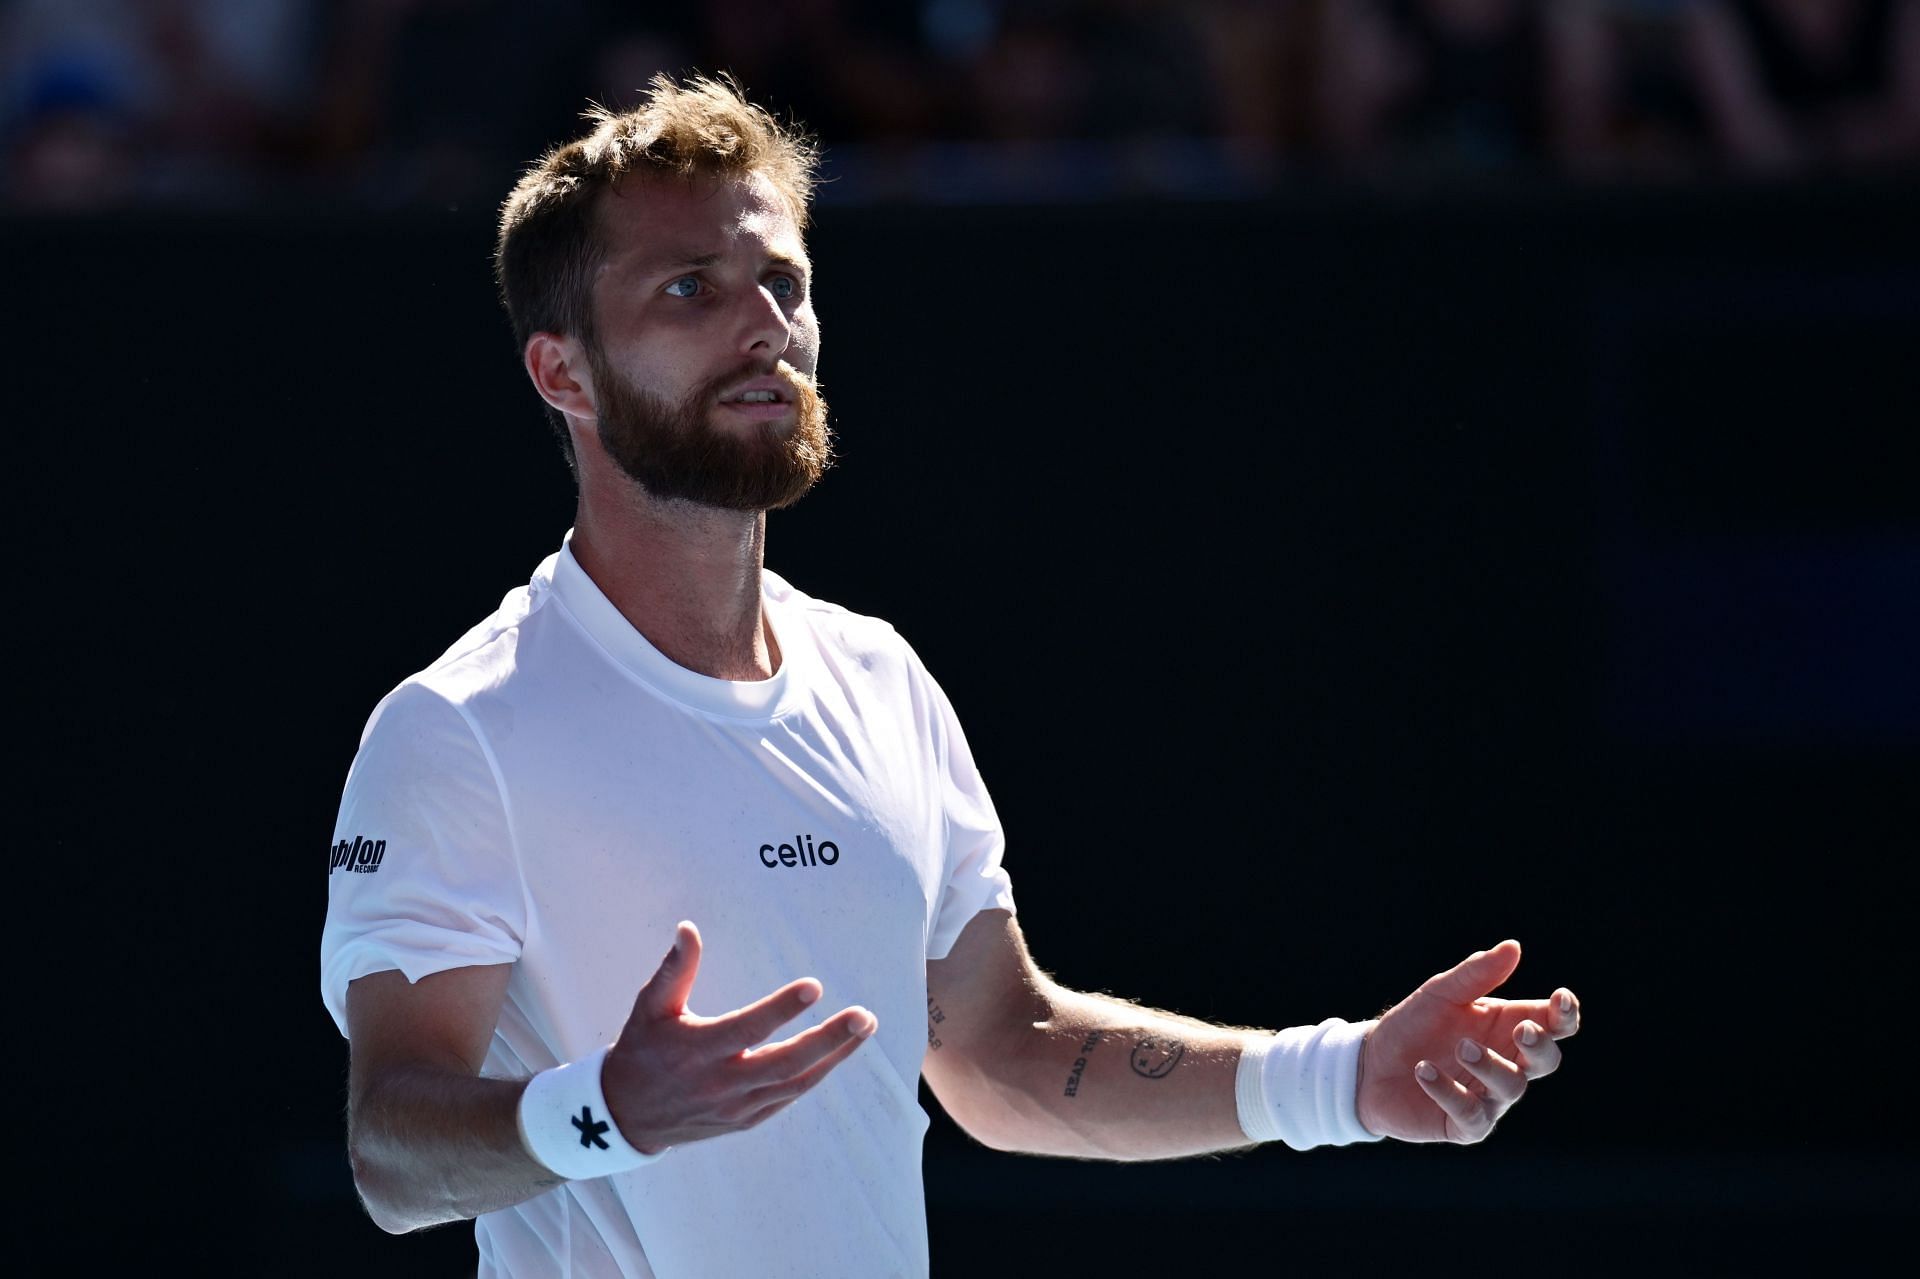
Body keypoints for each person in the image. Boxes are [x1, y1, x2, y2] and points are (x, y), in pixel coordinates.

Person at [320, 73, 1582, 1278]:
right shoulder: (457, 729)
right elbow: (389, 1154)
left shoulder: (879, 678)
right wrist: (601, 1110)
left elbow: (999, 1049)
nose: (764, 326)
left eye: (783, 282)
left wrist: (1343, 1080)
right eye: (691, 290)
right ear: (564, 374)